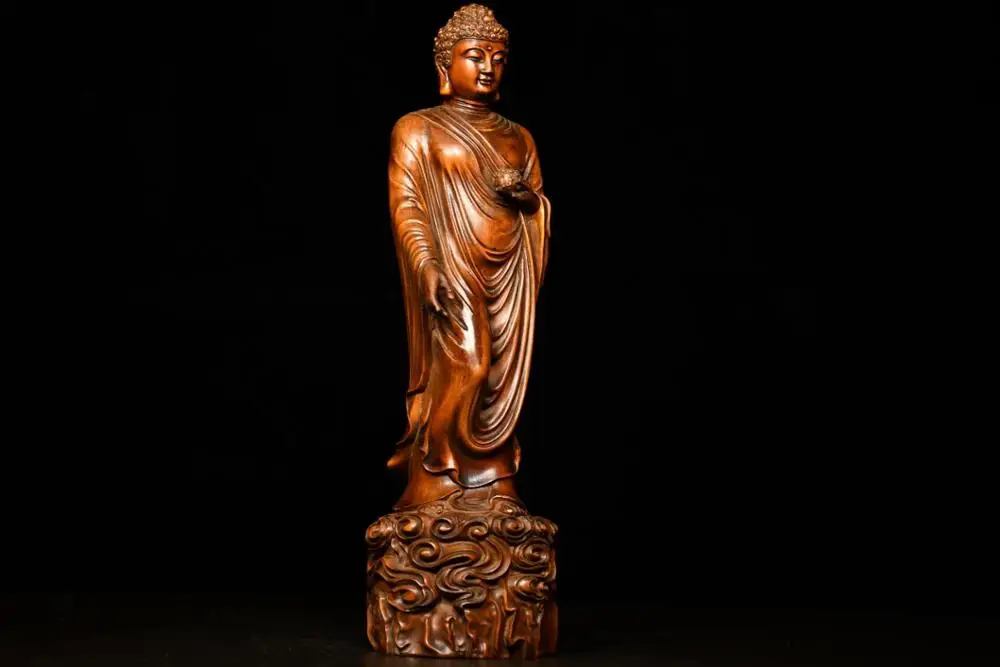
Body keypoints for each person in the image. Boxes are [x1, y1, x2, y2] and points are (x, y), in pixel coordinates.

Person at [386, 4, 551, 509]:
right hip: (451, 268)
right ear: (445, 66)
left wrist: (526, 199)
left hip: (507, 272)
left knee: (499, 377)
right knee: (469, 365)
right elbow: (407, 203)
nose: (487, 68)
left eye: (498, 59)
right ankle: (436, 472)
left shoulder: (519, 136)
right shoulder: (417, 128)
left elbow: (538, 206)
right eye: (475, 56)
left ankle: (494, 476)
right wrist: (426, 264)